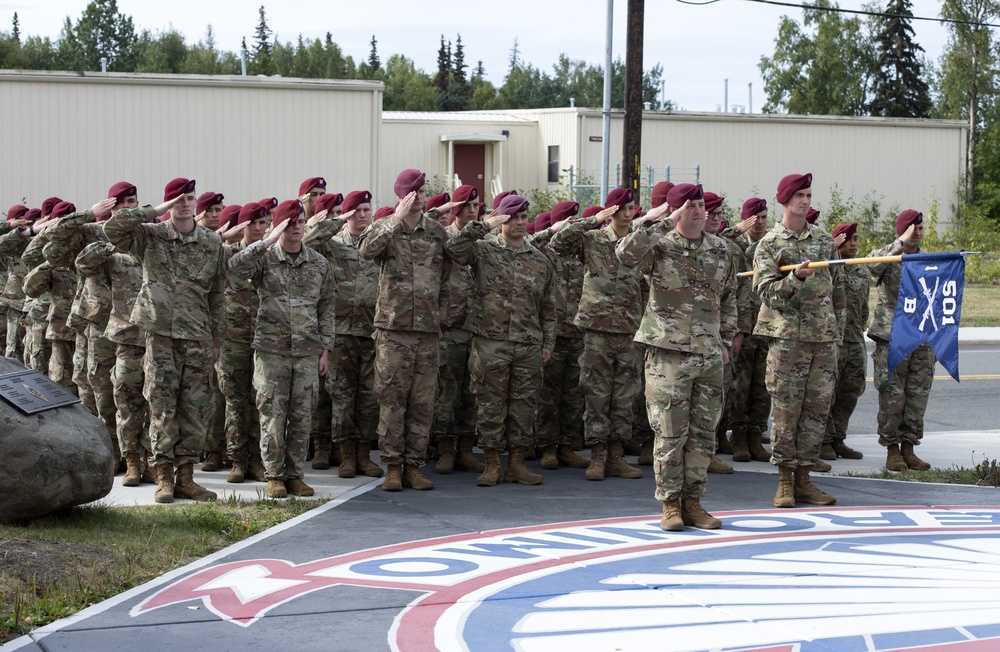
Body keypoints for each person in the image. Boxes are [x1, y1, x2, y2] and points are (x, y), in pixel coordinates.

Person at [617, 183, 737, 530]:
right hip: (668, 354)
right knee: (670, 432)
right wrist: (658, 222)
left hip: (709, 353)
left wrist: (726, 340)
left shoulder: (721, 249)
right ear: (676, 212)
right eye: (690, 206)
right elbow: (624, 256)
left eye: (701, 205)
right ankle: (670, 504)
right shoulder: (659, 245)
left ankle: (694, 502)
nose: (698, 212)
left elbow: (729, 297)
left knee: (703, 433)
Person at [104, 178, 225, 504]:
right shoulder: (150, 235)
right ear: (169, 204)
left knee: (194, 409)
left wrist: (217, 339)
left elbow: (217, 294)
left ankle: (187, 477)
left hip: (198, 336)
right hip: (160, 337)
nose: (185, 204)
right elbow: (113, 230)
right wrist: (154, 210)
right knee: (161, 406)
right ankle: (164, 478)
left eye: (189, 198)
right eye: (178, 199)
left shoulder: (211, 242)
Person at [444, 193, 556, 487]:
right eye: (513, 217)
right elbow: (453, 249)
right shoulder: (483, 251)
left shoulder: (540, 261)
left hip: (528, 343)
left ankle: (516, 463)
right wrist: (483, 225)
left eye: (523, 217)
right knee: (490, 406)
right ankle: (492, 463)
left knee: (523, 407)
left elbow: (550, 307)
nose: (520, 223)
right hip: (491, 342)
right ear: (502, 218)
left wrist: (548, 343)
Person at [228, 199, 337, 499]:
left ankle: (295, 475)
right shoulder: (265, 259)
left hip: (306, 351)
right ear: (280, 225)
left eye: (301, 221)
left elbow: (327, 307)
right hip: (271, 350)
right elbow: (235, 268)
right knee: (273, 416)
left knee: (302, 417)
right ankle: (274, 475)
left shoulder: (318, 264)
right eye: (291, 223)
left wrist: (325, 349)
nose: (298, 227)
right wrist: (267, 240)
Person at [753, 173, 845, 509]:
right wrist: (793, 278)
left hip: (822, 339)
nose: (806, 201)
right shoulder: (770, 244)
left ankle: (805, 480)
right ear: (785, 200)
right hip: (788, 341)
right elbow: (766, 292)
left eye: (808, 195)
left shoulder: (824, 241)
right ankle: (784, 483)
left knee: (816, 412)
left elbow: (838, 293)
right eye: (799, 196)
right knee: (785, 413)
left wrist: (837, 336)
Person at [359, 169, 451, 492]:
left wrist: (440, 318)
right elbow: (365, 251)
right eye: (415, 191)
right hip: (393, 332)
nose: (421, 195)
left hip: (427, 332)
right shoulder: (386, 229)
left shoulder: (437, 233)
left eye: (424, 190)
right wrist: (394, 221)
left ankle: (414, 465)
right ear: (403, 195)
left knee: (424, 402)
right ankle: (393, 467)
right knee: (392, 400)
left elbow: (447, 276)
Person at [549, 188, 644, 481]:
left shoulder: (638, 241)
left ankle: (616, 455)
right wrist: (590, 221)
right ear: (612, 211)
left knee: (624, 396)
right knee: (596, 395)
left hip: (628, 328)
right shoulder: (592, 239)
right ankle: (598, 456)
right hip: (596, 328)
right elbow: (557, 243)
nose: (628, 214)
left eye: (632, 209)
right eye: (623, 209)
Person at [304, 190, 384, 479]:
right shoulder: (333, 245)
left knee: (368, 397)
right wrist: (338, 221)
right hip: (340, 334)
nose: (363, 215)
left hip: (371, 332)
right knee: (341, 395)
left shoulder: (377, 244)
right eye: (357, 210)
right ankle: (346, 456)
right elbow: (307, 241)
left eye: (366, 209)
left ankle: (364, 454)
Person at [867, 210, 934, 472]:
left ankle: (909, 447)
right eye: (912, 228)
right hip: (892, 337)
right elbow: (872, 266)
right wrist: (899, 243)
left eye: (920, 228)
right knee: (892, 396)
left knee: (917, 396)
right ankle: (892, 449)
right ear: (901, 230)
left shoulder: (930, 261)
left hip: (921, 338)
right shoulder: (888, 255)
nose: (917, 232)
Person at [528, 200, 589, 470]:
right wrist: (552, 228)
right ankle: (547, 447)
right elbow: (529, 243)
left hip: (577, 332)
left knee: (574, 394)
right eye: (571, 221)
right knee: (548, 395)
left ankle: (567, 445)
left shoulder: (581, 253)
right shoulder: (545, 251)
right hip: (552, 333)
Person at [433, 184, 486, 474]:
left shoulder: (486, 237)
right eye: (465, 204)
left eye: (475, 203)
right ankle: (445, 449)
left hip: (476, 328)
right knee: (446, 393)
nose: (471, 208)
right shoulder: (445, 237)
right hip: (449, 326)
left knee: (472, 393)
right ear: (455, 207)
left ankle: (466, 449)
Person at [219, 202, 270, 484]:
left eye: (264, 223)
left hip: (264, 340)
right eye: (254, 224)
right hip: (233, 340)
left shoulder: (271, 255)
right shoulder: (227, 254)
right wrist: (225, 235)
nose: (260, 229)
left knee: (259, 402)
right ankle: (238, 460)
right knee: (236, 402)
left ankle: (258, 461)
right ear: (242, 226)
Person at [720, 198, 772, 463]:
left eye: (764, 217)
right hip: (743, 326)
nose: (760, 223)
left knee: (763, 385)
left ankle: (755, 435)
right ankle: (738, 435)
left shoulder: (772, 245)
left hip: (767, 324)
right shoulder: (734, 246)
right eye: (755, 218)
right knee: (740, 385)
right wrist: (738, 329)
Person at [821, 222, 868, 461]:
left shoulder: (861, 271)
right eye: (848, 239)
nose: (853, 243)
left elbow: (864, 309)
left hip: (854, 339)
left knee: (851, 390)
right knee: (827, 391)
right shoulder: (827, 268)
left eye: (856, 239)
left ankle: (839, 437)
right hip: (832, 340)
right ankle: (824, 440)